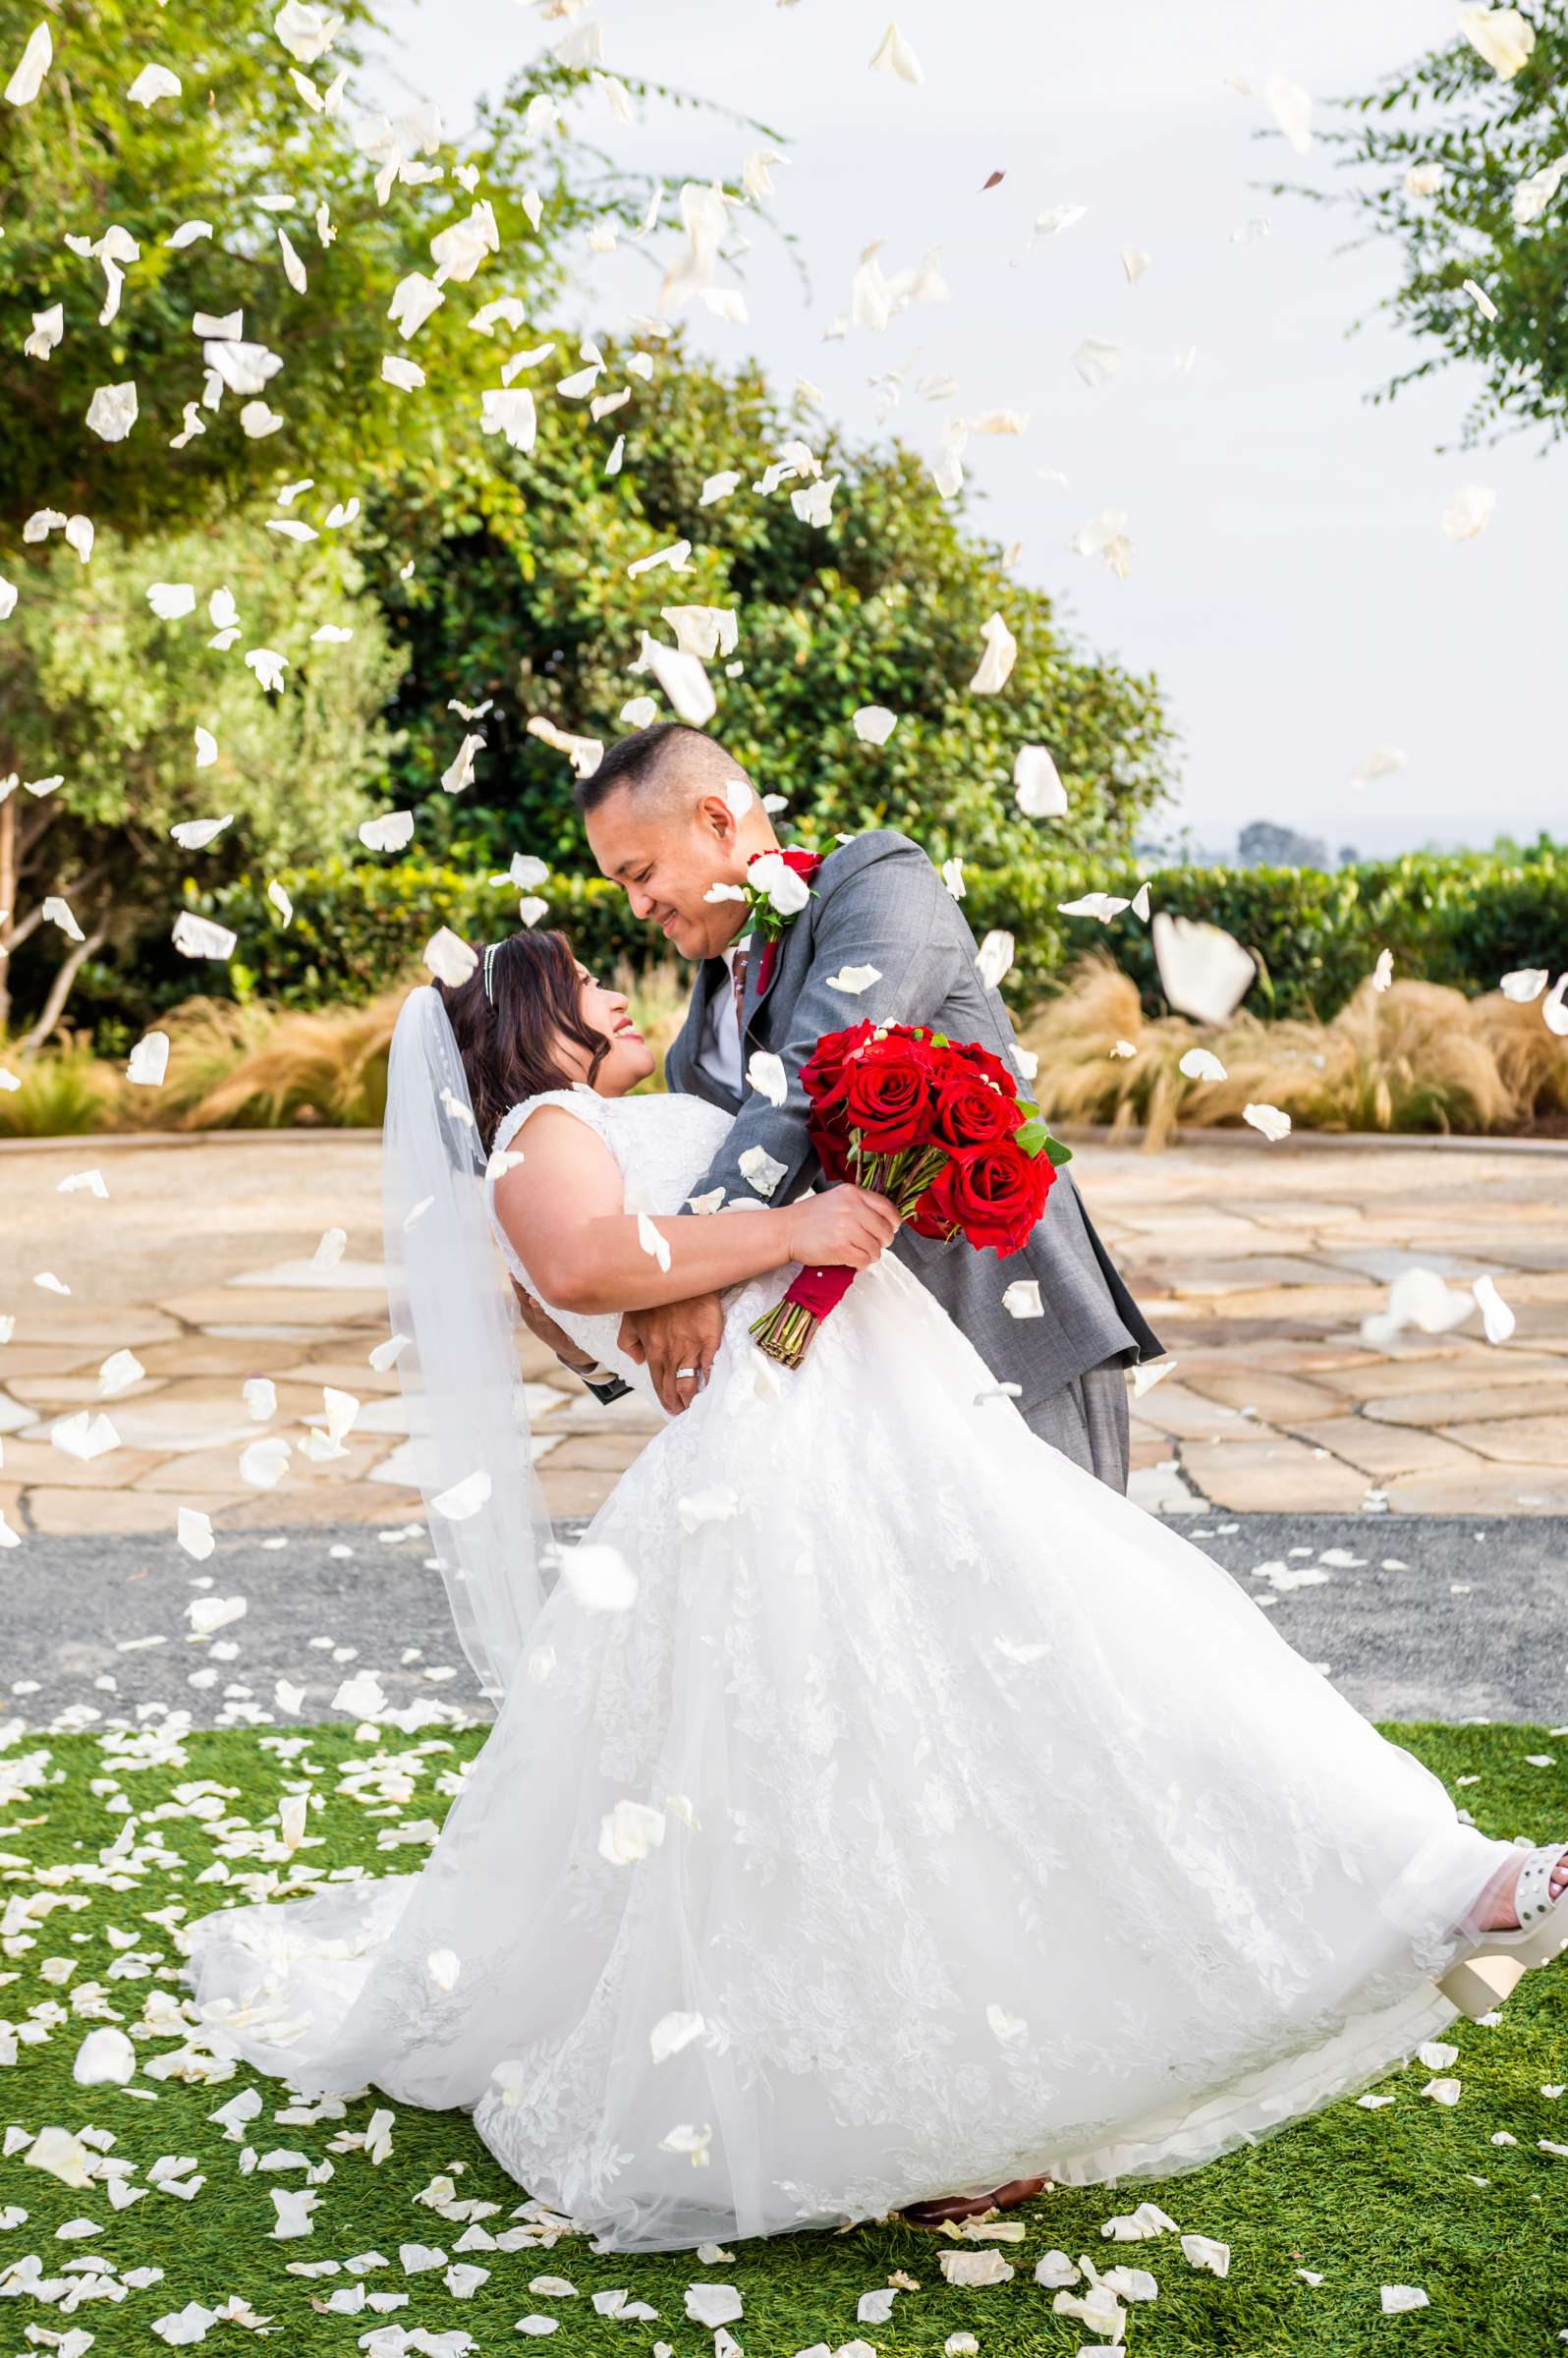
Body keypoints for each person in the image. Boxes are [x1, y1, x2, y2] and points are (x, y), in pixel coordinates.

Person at [181, 930, 1568, 2257]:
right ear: (517, 1029)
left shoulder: (637, 1114)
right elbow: (584, 1265)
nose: (612, 991)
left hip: (888, 1430)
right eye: (581, 982)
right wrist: (801, 1221)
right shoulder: (538, 1136)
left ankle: (1436, 1883)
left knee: (1075, 1687)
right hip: (793, 1467)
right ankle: (970, 2096)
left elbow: (664, 1260)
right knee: (881, 1774)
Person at [514, 721, 1162, 1491]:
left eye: (642, 872)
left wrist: (677, 1272)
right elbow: (726, 1205)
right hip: (858, 1389)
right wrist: (583, 1315)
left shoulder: (874, 881)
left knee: (1059, 1599)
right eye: (621, 885)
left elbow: (807, 1082)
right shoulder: (692, 1042)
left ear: (719, 821)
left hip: (1003, 1330)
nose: (638, 906)